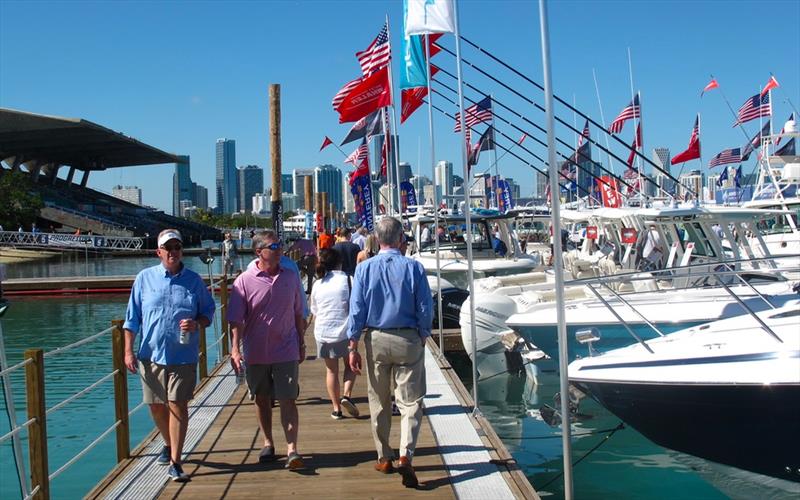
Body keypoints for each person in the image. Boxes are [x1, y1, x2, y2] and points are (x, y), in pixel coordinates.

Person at [123, 229, 215, 482]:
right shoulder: (144, 278)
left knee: (177, 406)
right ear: (159, 252)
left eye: (177, 247)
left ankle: (176, 460)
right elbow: (132, 319)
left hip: (183, 355)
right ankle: (168, 442)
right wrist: (128, 351)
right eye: (168, 247)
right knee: (155, 406)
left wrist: (197, 323)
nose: (173, 252)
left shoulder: (194, 281)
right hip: (150, 355)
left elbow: (208, 311)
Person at [347, 217, 432, 488]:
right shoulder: (414, 268)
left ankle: (384, 456)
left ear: (377, 239)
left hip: (376, 338)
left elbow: (356, 309)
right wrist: (423, 333)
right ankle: (406, 454)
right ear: (399, 240)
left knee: (379, 400)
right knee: (410, 402)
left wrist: (352, 344)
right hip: (407, 337)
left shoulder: (364, 269)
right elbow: (425, 307)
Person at [228, 230, 307, 470]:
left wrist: (301, 341)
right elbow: (236, 320)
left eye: (279, 246)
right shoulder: (243, 281)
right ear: (258, 252)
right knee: (262, 399)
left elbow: (298, 313)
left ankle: (292, 449)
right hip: (257, 352)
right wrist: (235, 349)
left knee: (288, 399)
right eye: (273, 247)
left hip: (286, 349)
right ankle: (268, 442)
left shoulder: (291, 277)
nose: (279, 250)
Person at [309, 248, 359, 420]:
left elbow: (314, 310)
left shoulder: (317, 284)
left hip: (323, 331)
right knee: (350, 365)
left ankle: (336, 408)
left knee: (331, 371)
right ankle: (346, 395)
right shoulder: (348, 279)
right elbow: (355, 306)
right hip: (344, 331)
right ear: (340, 263)